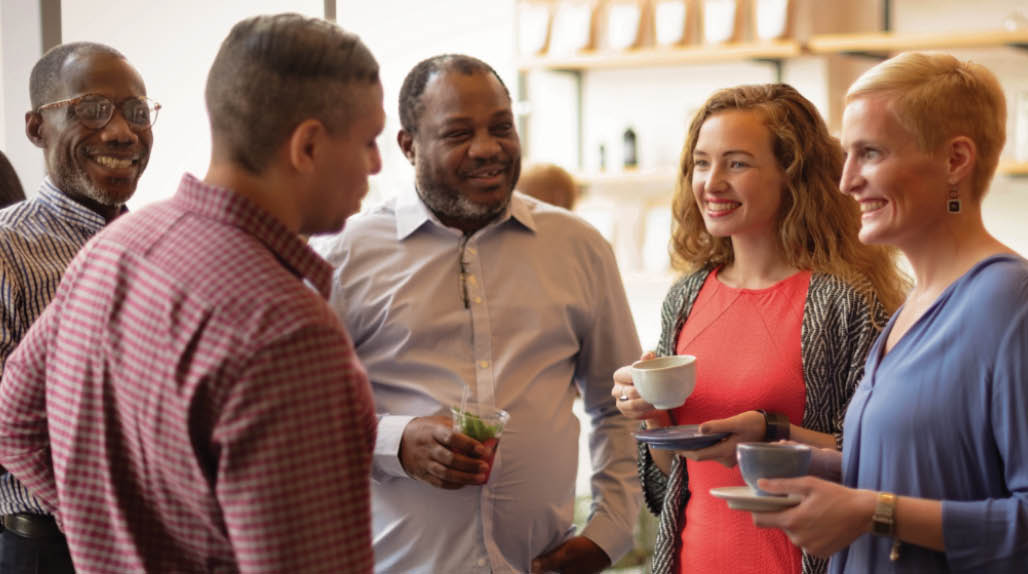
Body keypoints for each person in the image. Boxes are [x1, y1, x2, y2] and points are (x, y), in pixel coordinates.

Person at [0, 14, 383, 572]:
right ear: (307, 145)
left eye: (135, 112)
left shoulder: (115, 245)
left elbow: (15, 418)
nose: (376, 164)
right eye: (369, 141)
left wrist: (110, 527)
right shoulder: (288, 329)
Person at [311, 54, 643, 574]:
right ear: (408, 145)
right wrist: (395, 444)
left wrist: (610, 532)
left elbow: (620, 407)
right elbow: (301, 419)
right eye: (459, 133)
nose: (487, 148)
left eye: (501, 127)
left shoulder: (578, 246)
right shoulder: (344, 256)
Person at [611, 84, 908, 574]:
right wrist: (649, 414)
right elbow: (674, 476)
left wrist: (776, 433)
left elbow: (881, 460)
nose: (711, 183)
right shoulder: (684, 298)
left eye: (737, 163)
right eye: (701, 163)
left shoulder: (845, 300)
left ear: (794, 175)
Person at [752, 53, 1028, 573]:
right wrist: (772, 447)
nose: (846, 182)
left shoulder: (1009, 302)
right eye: (846, 155)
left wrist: (873, 512)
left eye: (870, 154)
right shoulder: (909, 308)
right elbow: (906, 471)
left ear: (955, 160)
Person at [0, 41, 155, 573]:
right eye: (91, 109)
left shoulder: (157, 249)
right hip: (49, 551)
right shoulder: (6, 249)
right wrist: (88, 509)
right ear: (37, 128)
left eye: (137, 112)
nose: (120, 131)